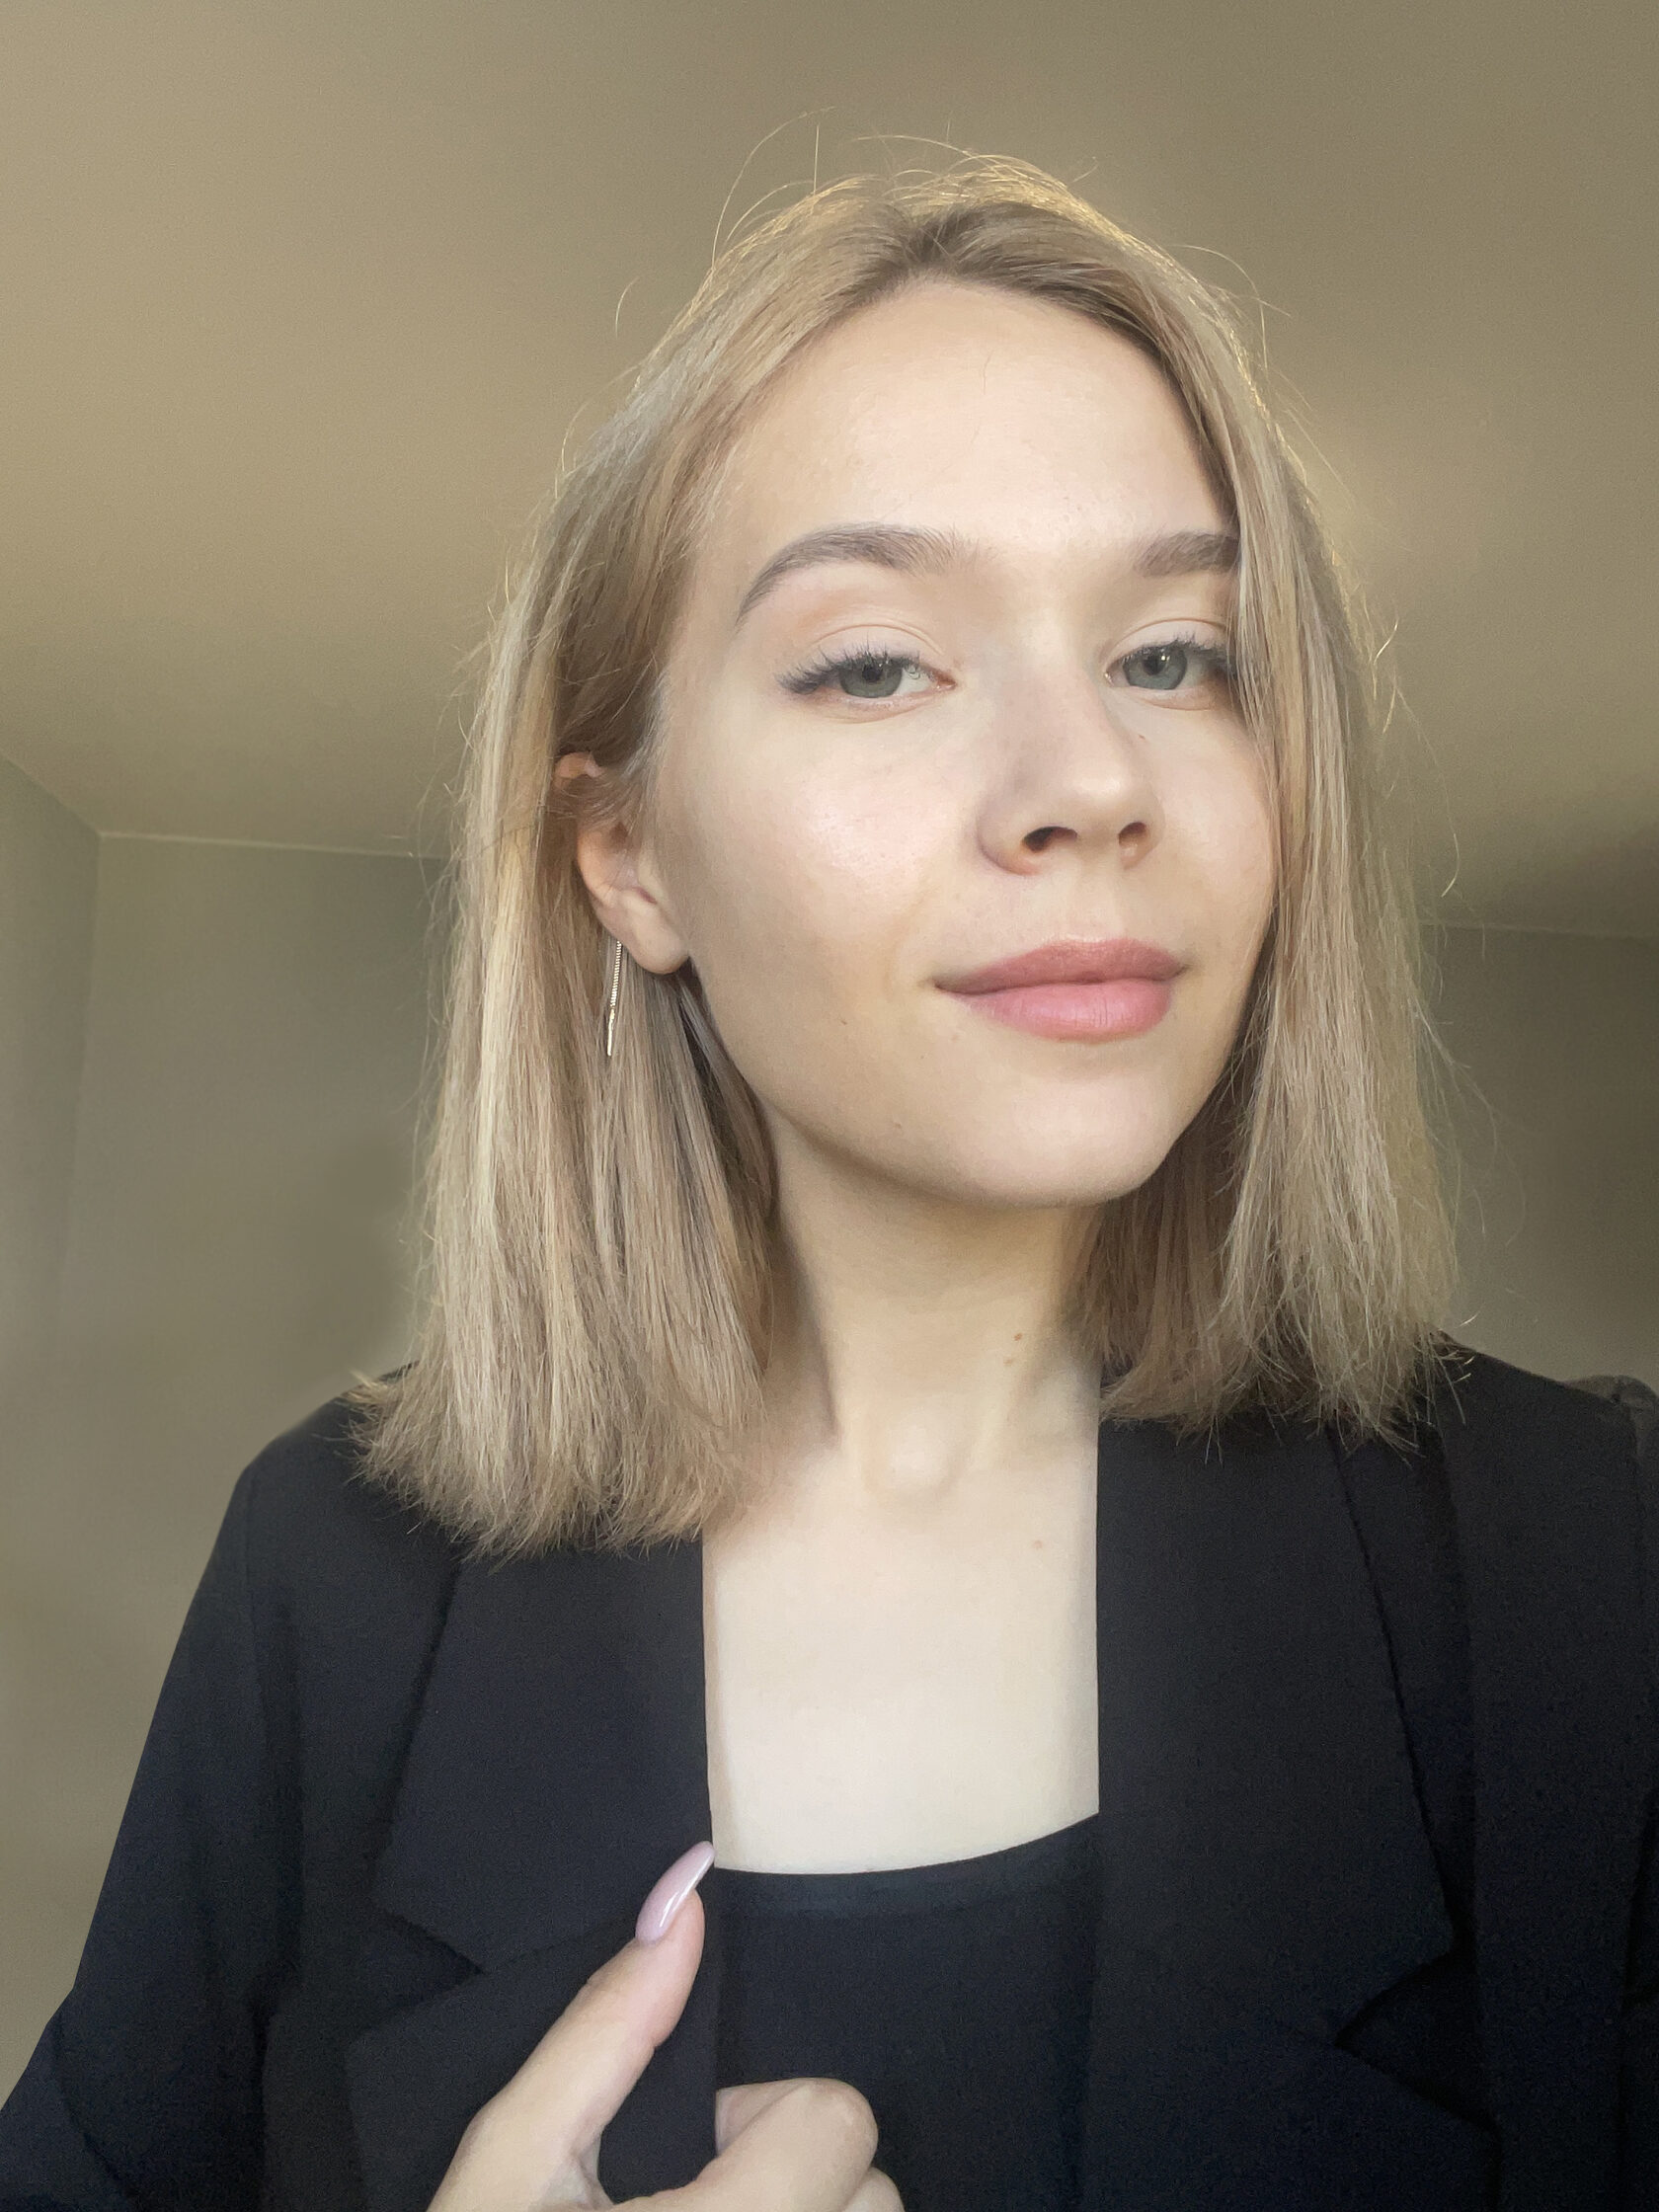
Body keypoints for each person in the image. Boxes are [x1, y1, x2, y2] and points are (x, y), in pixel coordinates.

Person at [1, 155, 1655, 2212]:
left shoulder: (1590, 1567)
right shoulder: (335, 1578)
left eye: (1177, 656)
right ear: (630, 860)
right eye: (877, 664)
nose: (1090, 782)